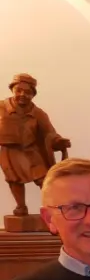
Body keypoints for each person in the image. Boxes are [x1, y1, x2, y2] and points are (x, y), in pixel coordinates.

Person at [2, 73, 70, 215]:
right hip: (9, 151)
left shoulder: (38, 113)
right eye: (18, 90)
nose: (22, 94)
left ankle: (52, 205)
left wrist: (59, 142)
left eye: (27, 92)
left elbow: (49, 133)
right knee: (14, 180)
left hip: (31, 151)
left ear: (33, 95)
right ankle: (21, 206)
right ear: (12, 90)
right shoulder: (1, 108)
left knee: (44, 179)